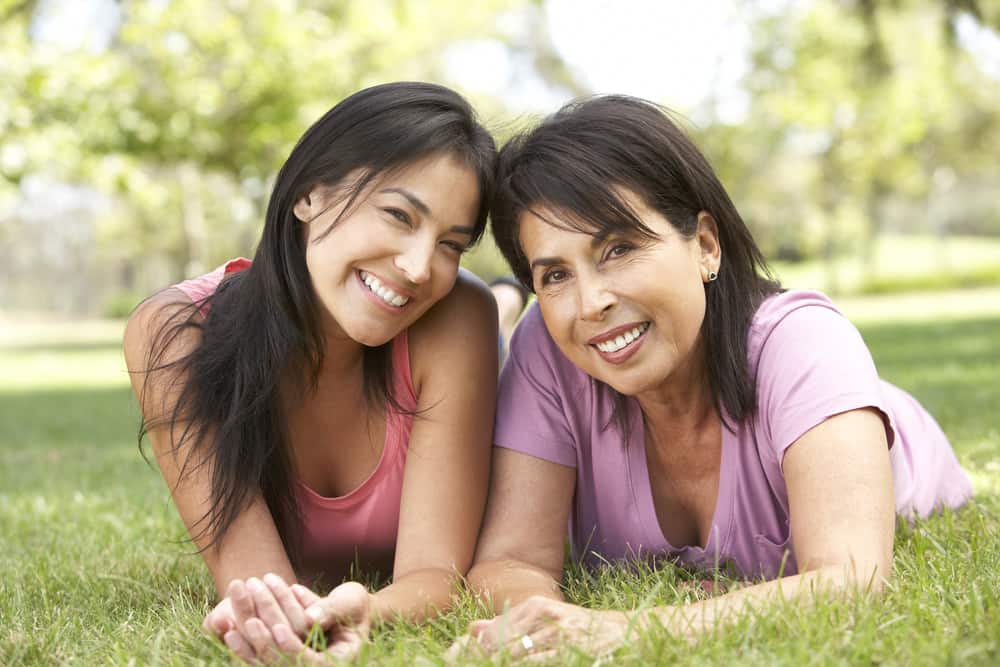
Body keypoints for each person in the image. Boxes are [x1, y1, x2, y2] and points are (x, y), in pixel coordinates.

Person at [452, 95, 972, 659]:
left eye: (619, 248)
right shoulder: (549, 349)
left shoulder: (804, 342)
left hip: (850, 426)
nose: (590, 302)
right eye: (554, 274)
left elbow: (852, 578)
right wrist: (544, 620)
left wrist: (622, 629)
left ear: (704, 245)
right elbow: (510, 560)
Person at [123, 82, 499, 663]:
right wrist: (289, 622)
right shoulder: (174, 332)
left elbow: (436, 577)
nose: (420, 267)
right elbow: (255, 585)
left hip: (474, 344)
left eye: (451, 243)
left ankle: (511, 305)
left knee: (493, 309)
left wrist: (367, 611)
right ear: (310, 194)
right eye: (399, 214)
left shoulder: (456, 316)